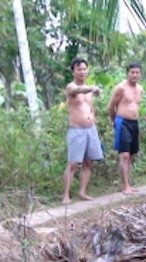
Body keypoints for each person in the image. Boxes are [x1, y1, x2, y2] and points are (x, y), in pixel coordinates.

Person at [62, 57, 104, 205]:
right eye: (79, 69)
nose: (82, 72)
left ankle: (82, 192)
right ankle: (66, 195)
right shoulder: (71, 87)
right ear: (73, 71)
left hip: (91, 129)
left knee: (88, 162)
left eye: (84, 69)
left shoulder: (89, 90)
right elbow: (77, 90)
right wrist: (93, 88)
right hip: (77, 130)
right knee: (73, 163)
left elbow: (89, 107)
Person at [108, 62, 144, 195]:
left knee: (132, 155)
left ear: (140, 74)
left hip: (134, 123)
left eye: (137, 72)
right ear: (127, 73)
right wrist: (114, 121)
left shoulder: (140, 89)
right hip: (122, 122)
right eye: (132, 72)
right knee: (124, 154)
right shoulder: (121, 88)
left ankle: (127, 183)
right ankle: (125, 186)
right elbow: (111, 106)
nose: (134, 75)